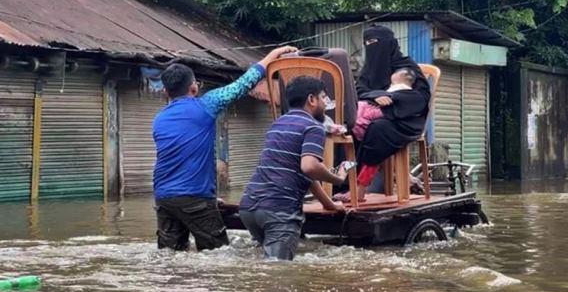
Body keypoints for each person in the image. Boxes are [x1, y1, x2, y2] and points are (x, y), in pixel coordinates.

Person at [152, 45, 297, 252]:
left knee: (170, 256)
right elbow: (244, 84)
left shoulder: (158, 119)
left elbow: (179, 158)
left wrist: (208, 197)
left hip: (164, 198)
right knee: (217, 255)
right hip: (195, 198)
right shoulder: (206, 105)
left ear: (165, 92)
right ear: (194, 87)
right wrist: (273, 56)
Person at [238, 76, 347, 261]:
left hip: (249, 208)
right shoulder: (313, 127)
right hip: (279, 210)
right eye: (323, 98)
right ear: (311, 99)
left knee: (266, 266)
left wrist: (330, 205)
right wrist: (338, 178)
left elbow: (305, 175)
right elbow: (310, 167)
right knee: (278, 275)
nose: (325, 104)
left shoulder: (277, 124)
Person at [335, 25, 431, 202]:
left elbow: (421, 98)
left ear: (389, 44)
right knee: (344, 127)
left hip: (404, 121)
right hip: (371, 116)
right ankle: (343, 184)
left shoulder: (407, 68)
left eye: (375, 42)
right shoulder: (368, 70)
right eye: (367, 43)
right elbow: (358, 91)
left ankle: (361, 188)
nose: (371, 47)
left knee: (378, 129)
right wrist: (376, 95)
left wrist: (392, 98)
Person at [352, 67, 416, 141]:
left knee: (362, 108)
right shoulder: (408, 92)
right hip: (384, 111)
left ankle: (358, 127)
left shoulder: (400, 88)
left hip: (386, 111)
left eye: (392, 83)